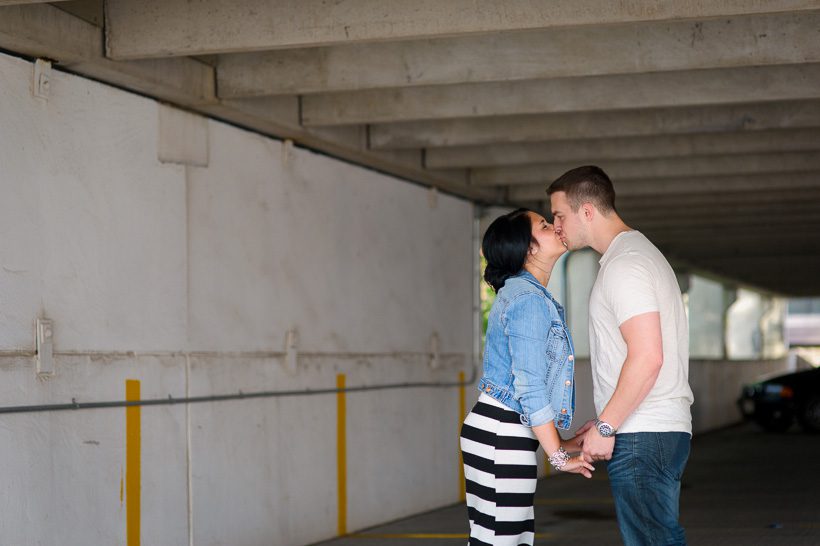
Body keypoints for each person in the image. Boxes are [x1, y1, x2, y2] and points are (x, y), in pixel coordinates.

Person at [548, 166, 694, 546]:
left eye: (559, 215)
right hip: (649, 428)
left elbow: (648, 357)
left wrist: (608, 425)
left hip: (644, 433)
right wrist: (605, 419)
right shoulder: (633, 256)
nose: (556, 225)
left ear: (587, 212)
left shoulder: (626, 265)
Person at [460, 208, 594, 546]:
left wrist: (558, 444)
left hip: (504, 433)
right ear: (529, 248)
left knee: (503, 539)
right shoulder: (528, 300)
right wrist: (559, 458)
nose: (556, 227)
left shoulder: (528, 295)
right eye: (546, 226)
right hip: (500, 436)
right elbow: (529, 386)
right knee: (500, 541)